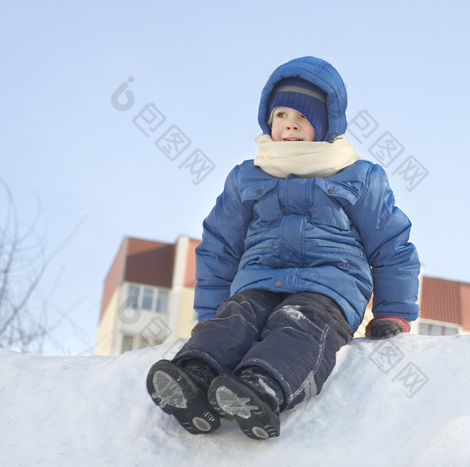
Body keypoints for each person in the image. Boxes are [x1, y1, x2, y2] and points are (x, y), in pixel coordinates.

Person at [146, 56, 420, 440]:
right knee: (235, 318)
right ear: (268, 120)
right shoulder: (247, 177)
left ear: (325, 125)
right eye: (281, 114)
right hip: (258, 282)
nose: (290, 123)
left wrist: (394, 311)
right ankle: (194, 378)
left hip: (328, 289)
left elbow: (391, 244)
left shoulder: (359, 177)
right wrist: (211, 311)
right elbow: (220, 247)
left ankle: (263, 386)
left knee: (300, 323)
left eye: (304, 117)